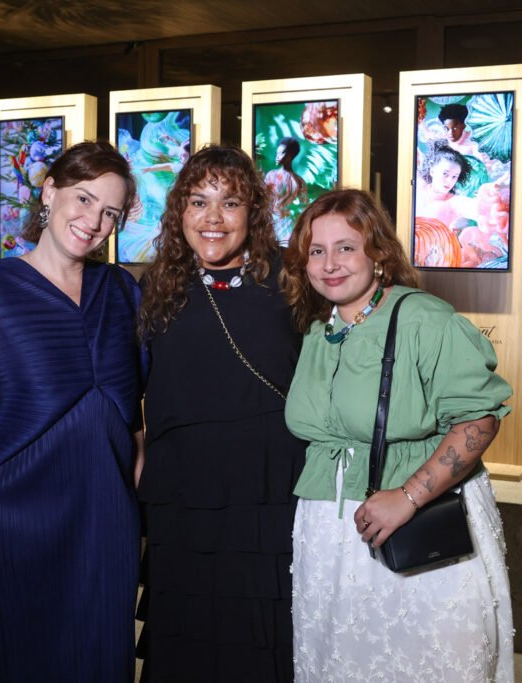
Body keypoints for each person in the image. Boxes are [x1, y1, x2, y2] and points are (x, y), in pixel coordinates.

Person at [0, 140, 146, 681]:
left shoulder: (119, 292)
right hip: (18, 522)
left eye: (109, 212)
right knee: (26, 663)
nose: (94, 221)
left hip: (106, 521)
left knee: (106, 665)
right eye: (84, 199)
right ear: (50, 191)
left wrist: (134, 501)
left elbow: (137, 415)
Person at [281, 189, 515, 681]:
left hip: (415, 523)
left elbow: (478, 420)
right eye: (316, 251)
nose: (329, 264)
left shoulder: (425, 320)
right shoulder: (317, 329)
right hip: (330, 532)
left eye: (345, 247)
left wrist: (408, 496)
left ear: (378, 253)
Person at [135, 144, 306, 681]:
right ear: (178, 211)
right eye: (198, 201)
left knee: (263, 626)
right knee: (188, 628)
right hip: (181, 490)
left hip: (268, 487)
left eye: (229, 203)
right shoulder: (156, 285)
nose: (212, 218)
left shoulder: (292, 281)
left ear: (253, 212)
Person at [263, 136, 308, 244]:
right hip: (270, 223)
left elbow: (304, 207)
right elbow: (263, 201)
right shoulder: (271, 175)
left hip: (289, 225)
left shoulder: (299, 181)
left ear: (290, 156)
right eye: (277, 153)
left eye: (281, 153)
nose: (277, 156)